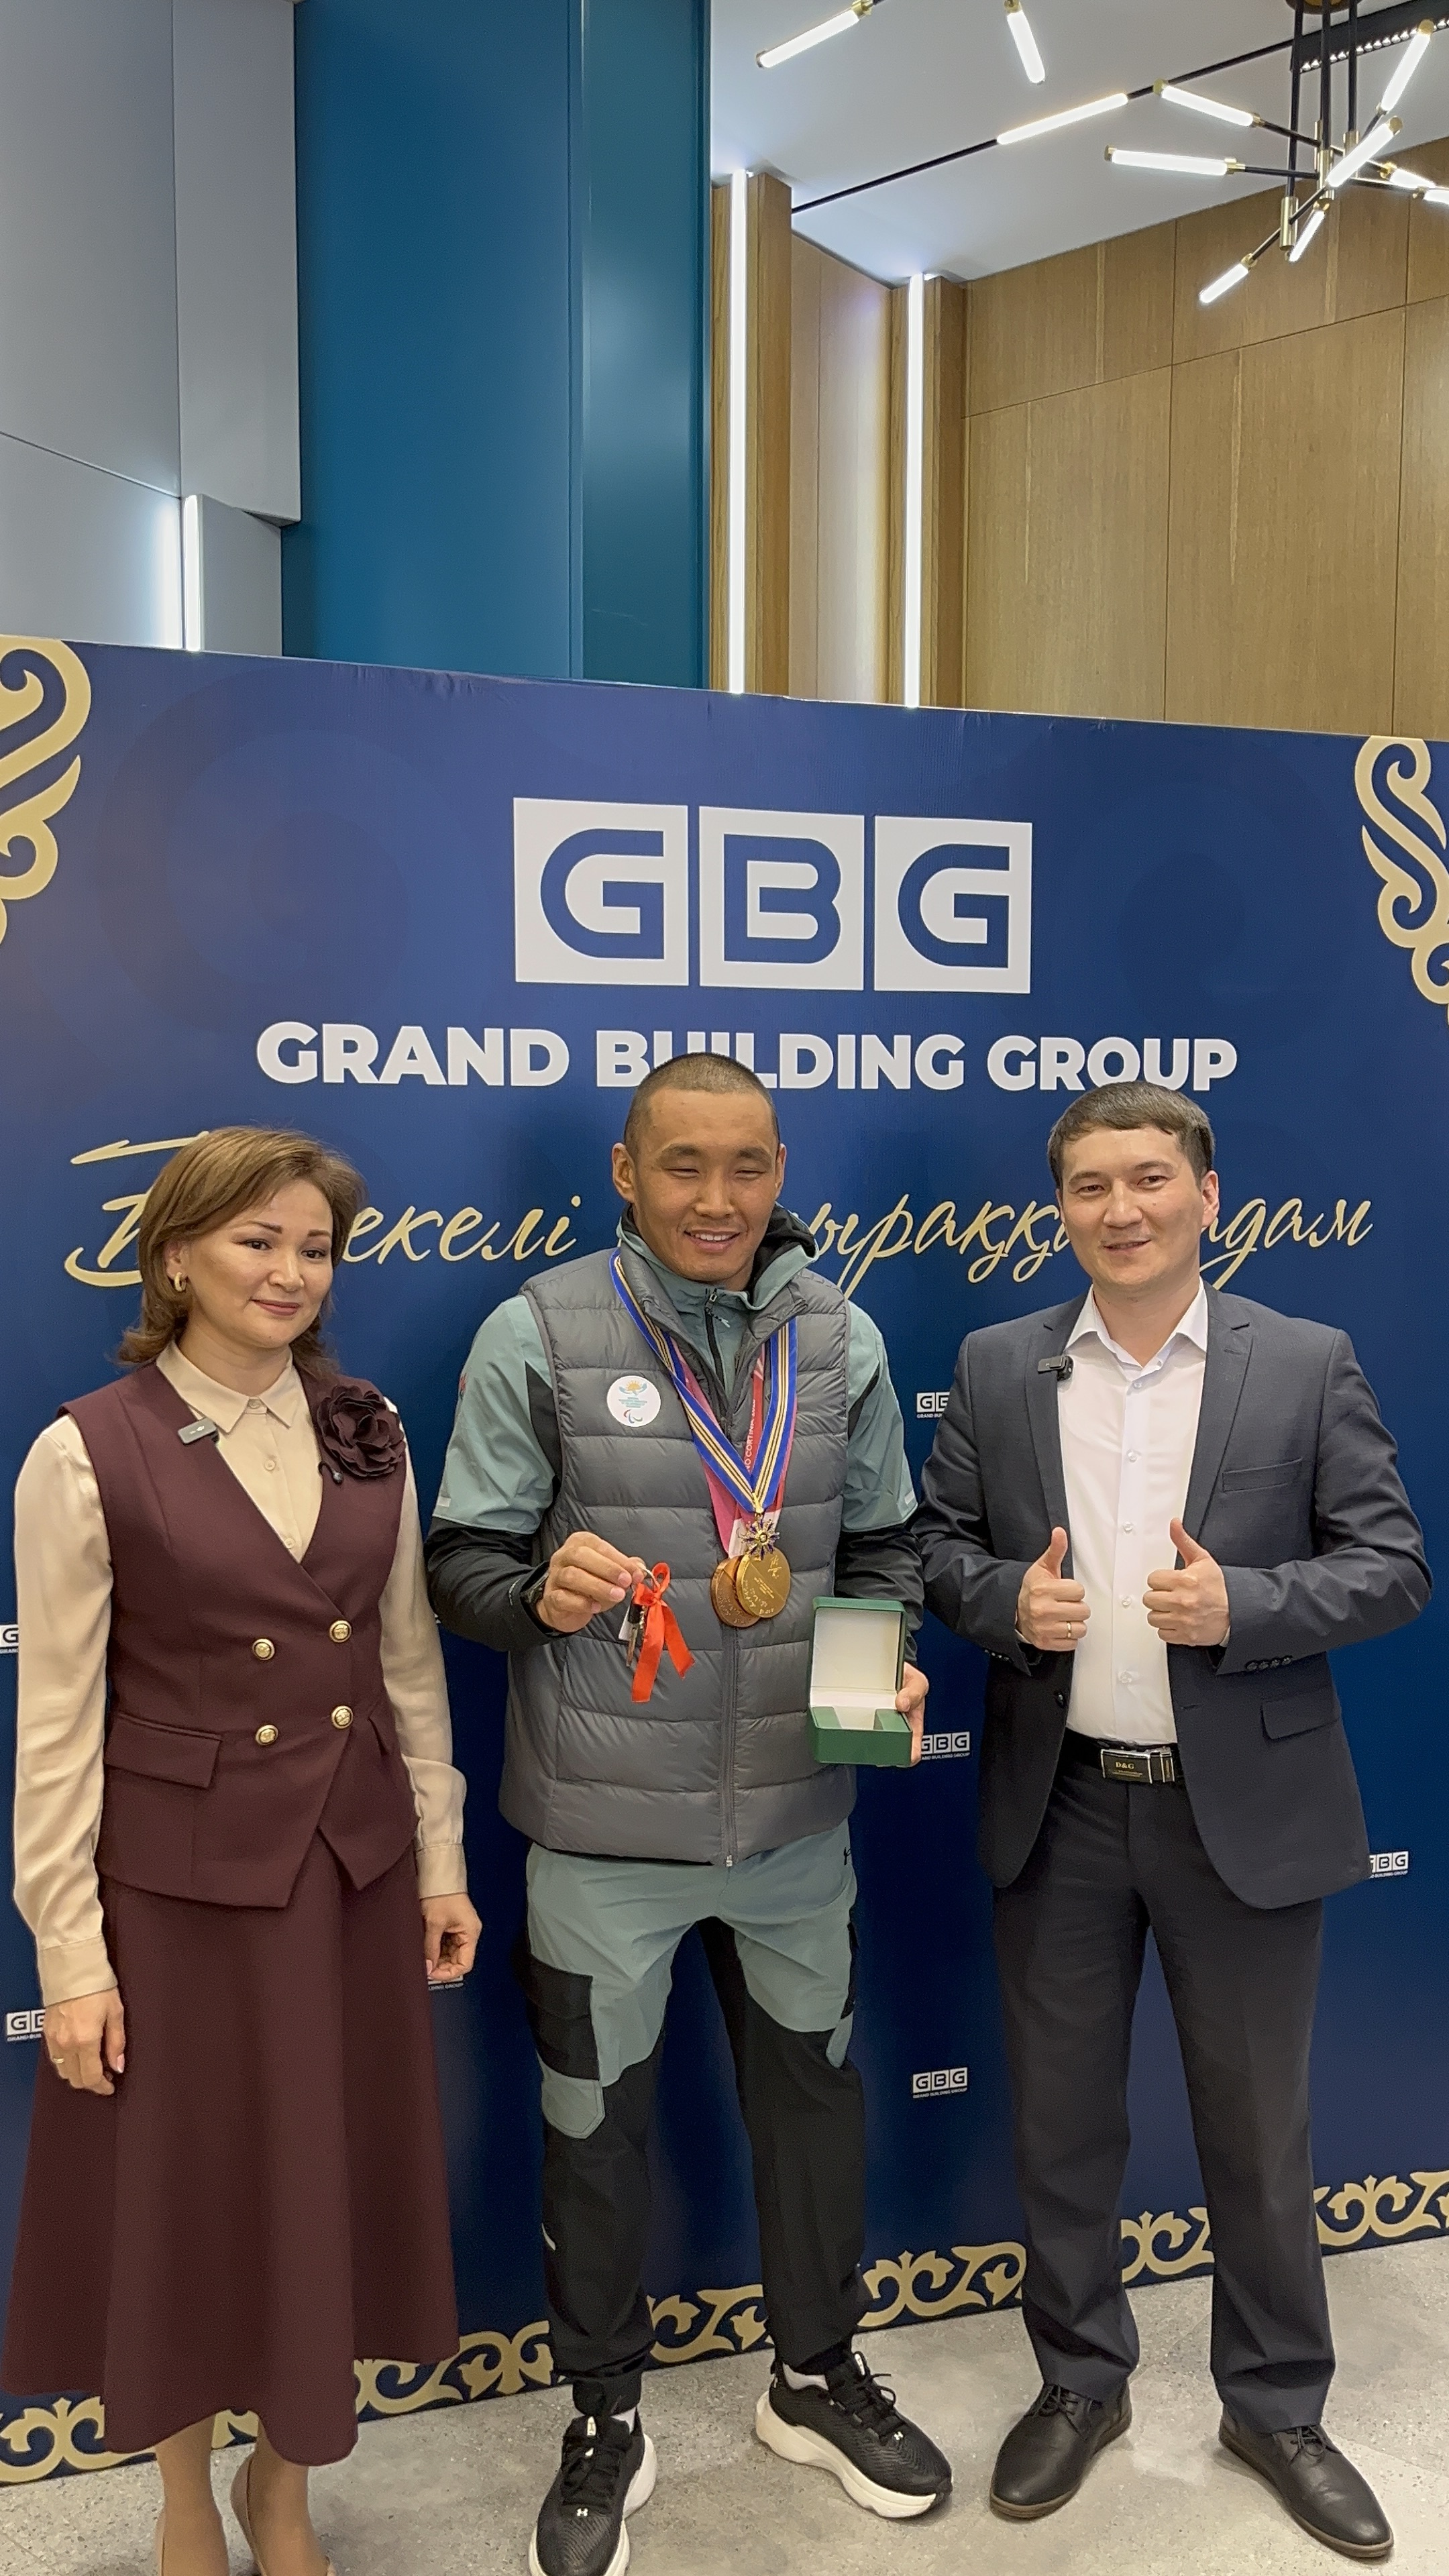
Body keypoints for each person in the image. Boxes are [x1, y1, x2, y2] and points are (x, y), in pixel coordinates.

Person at [426, 1053, 951, 2576]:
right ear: (625, 1171)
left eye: (747, 1165)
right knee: (593, 2139)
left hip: (795, 1826)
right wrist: (538, 1593)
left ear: (780, 1169)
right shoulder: (539, 1330)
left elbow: (885, 1545)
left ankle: (814, 2378)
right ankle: (604, 2413)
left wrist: (880, 1664)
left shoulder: (841, 1334)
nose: (717, 1199)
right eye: (682, 1165)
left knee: (816, 2121)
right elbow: (459, 1562)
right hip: (604, 1836)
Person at [915, 1080, 1428, 2565]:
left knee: (1259, 2133)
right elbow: (936, 1548)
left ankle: (1275, 2408)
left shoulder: (1306, 1361)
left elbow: (1392, 1565)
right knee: (1061, 2126)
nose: (1120, 1209)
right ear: (1060, 1210)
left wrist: (1246, 1605)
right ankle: (1081, 2383)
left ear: (1207, 1194)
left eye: (1149, 1179)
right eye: (1089, 1186)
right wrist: (1003, 1601)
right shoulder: (1000, 1364)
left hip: (1242, 1814)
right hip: (1063, 1801)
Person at [4, 1126, 480, 2576]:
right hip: (181, 1898)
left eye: (314, 1247)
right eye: (255, 1241)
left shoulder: (367, 1425)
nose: (290, 1272)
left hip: (350, 1878)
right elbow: (57, 1727)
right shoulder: (85, 1451)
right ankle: (178, 2498)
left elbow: (406, 1664)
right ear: (176, 1258)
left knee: (320, 2189)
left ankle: (285, 2488)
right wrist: (70, 1958)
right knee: (188, 2201)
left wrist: (441, 1862)